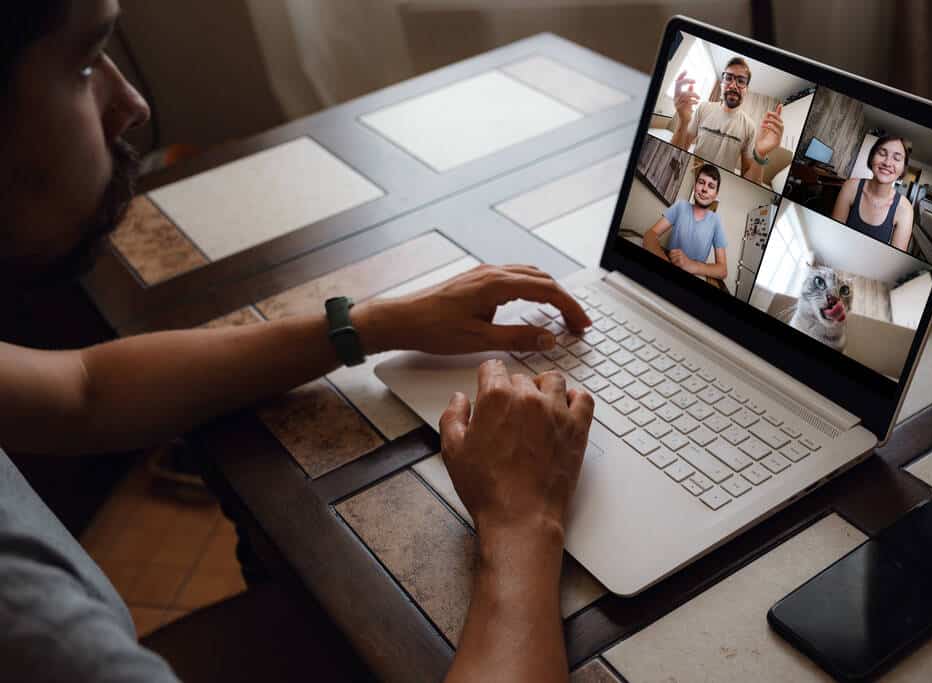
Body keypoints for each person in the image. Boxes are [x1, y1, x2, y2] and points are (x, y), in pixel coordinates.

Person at [0, 2, 594, 682]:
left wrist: (375, 323)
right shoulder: (30, 622)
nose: (131, 102)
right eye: (82, 64)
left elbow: (83, 390)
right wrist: (525, 524)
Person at [670, 56, 784, 185]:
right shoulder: (703, 108)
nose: (733, 85)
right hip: (688, 177)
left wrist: (761, 155)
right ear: (721, 84)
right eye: (728, 78)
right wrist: (683, 121)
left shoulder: (749, 127)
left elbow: (747, 180)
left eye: (741, 81)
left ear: (746, 90)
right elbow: (678, 152)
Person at [642, 164, 728, 281]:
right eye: (701, 182)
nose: (704, 189)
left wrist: (692, 266)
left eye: (711, 186)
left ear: (715, 195)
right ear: (695, 185)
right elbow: (650, 234)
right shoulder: (680, 206)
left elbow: (722, 270)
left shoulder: (716, 221)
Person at [831, 136, 915, 252]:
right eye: (882, 153)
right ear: (872, 157)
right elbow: (833, 235)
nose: (887, 163)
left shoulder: (905, 209)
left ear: (903, 168)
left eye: (897, 158)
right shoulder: (850, 187)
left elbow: (894, 259)